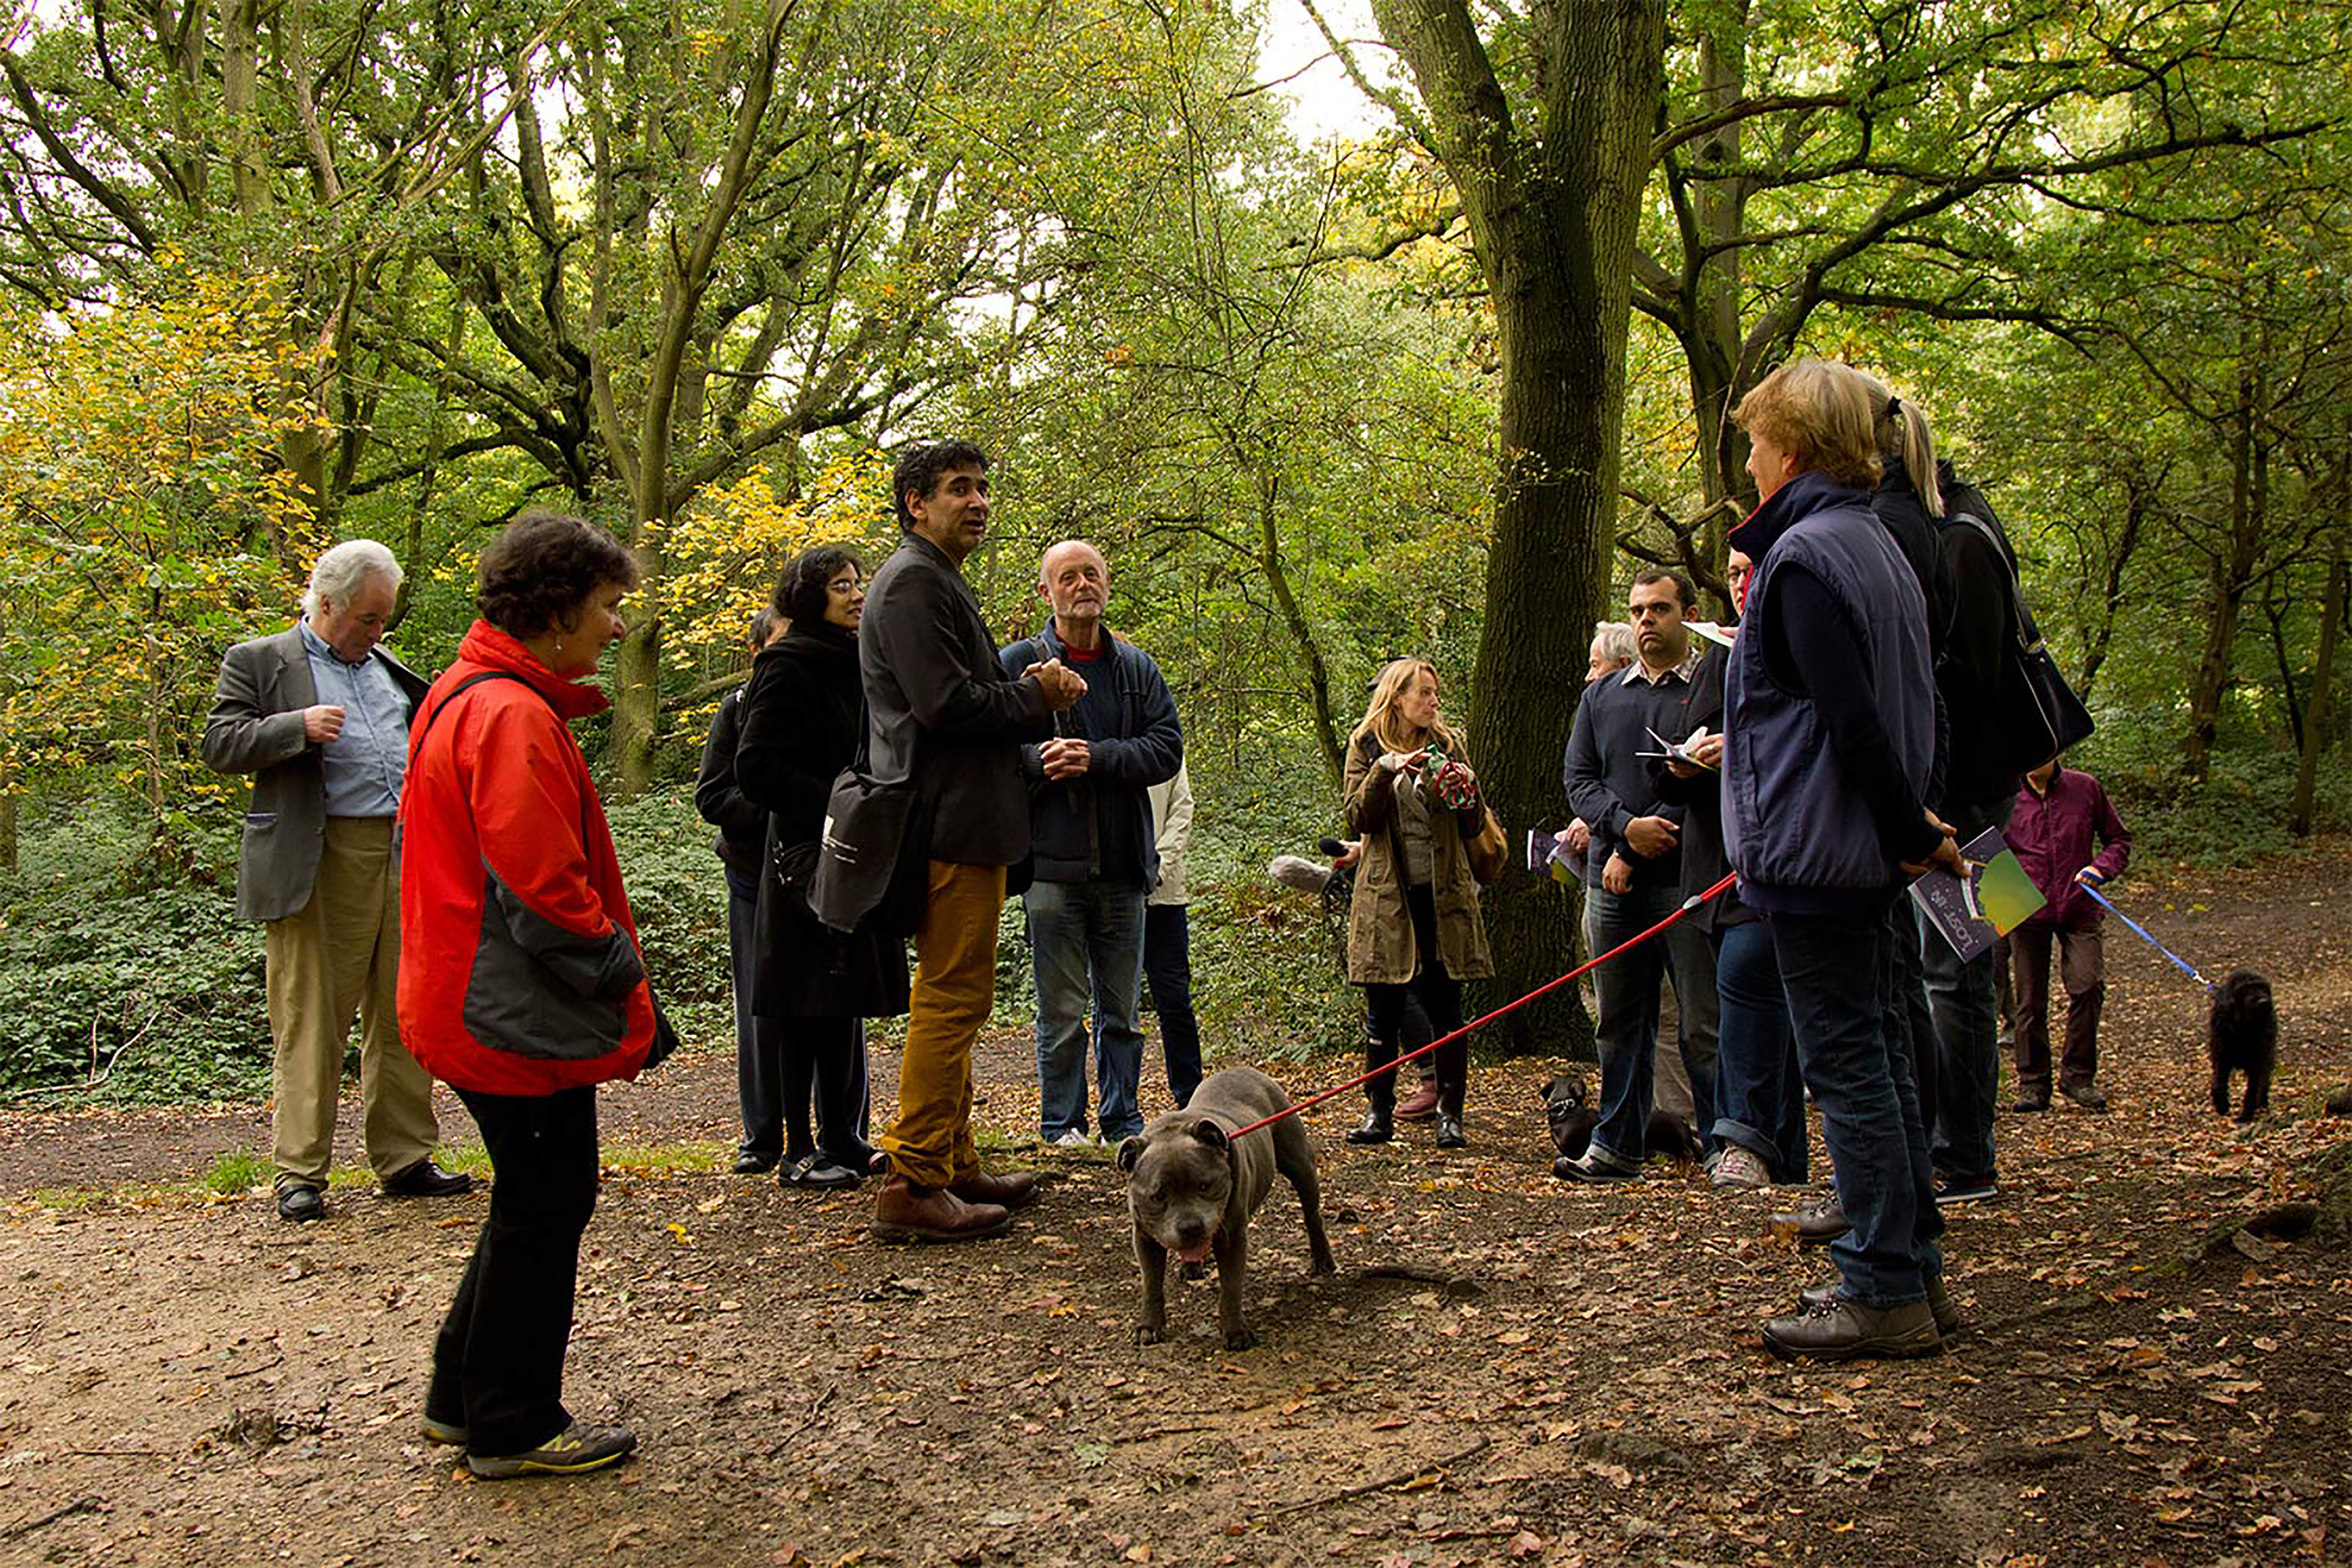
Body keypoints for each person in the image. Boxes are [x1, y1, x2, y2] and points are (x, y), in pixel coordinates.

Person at [397, 510, 660, 1477]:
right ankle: (510, 1419)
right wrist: (628, 987)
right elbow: (545, 890)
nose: (615, 625)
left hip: (475, 993)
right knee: (548, 1198)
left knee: (532, 1195)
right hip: (504, 1008)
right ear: (557, 608)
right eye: (606, 605)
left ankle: (462, 1396)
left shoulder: (476, 692)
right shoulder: (506, 712)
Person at [1724, 357, 1957, 1362]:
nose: (1748, 455)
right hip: (1859, 850)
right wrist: (1910, 829)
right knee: (1885, 1055)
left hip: (1820, 856)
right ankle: (1910, 1266)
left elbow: (1856, 721)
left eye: (1755, 438)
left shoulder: (1810, 557)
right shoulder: (1879, 542)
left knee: (1851, 1064)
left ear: (1797, 446)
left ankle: (1883, 1287)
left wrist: (1908, 829)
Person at [199, 539, 467, 1223]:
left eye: (384, 620)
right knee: (313, 1015)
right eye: (369, 619)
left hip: (404, 853)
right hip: (321, 856)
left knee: (403, 1010)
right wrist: (296, 726)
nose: (378, 632)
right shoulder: (261, 661)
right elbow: (219, 743)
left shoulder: (386, 666)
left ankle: (405, 1157)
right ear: (326, 604)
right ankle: (300, 1171)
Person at [860, 439, 1084, 1242]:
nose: (979, 500)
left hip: (965, 817)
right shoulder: (913, 583)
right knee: (951, 999)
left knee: (960, 993)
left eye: (984, 487)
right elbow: (946, 706)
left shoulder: (932, 578)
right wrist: (1039, 690)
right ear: (915, 502)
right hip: (947, 820)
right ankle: (913, 1176)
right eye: (960, 488)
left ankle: (953, 1160)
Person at [1874, 395, 2027, 1207]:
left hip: (1971, 793)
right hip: (1976, 783)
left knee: (1958, 970)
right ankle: (1959, 1143)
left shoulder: (1961, 538)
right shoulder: (1963, 520)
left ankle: (1968, 1155)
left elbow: (1968, 681)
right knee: (1959, 969)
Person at [998, 539, 1183, 1146]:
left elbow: (1165, 748)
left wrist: (1097, 757)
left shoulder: (1136, 669)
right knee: (1059, 1010)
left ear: (1107, 584)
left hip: (1126, 865)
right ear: (1046, 592)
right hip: (1050, 866)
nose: (1083, 585)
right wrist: (1036, 763)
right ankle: (1061, 1125)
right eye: (1068, 577)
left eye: (1092, 575)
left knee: (1123, 1012)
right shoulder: (1017, 663)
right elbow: (986, 750)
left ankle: (1123, 1122)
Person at [736, 547, 907, 1187]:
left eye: (857, 584)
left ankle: (843, 1135)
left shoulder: (856, 661)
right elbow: (753, 769)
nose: (856, 595)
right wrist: (837, 801)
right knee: (802, 1004)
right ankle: (795, 1150)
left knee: (842, 1002)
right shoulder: (785, 666)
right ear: (811, 597)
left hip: (854, 854)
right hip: (804, 858)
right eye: (841, 586)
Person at [1555, 571, 1719, 1182]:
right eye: (1637, 611)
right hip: (1611, 885)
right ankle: (1617, 1145)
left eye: (1659, 609)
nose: (1646, 620)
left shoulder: (1709, 685)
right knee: (1620, 1022)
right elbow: (1579, 780)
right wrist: (1625, 830)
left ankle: (1720, 1144)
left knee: (1702, 1023)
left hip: (1686, 880)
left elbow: (1713, 778)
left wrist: (1651, 836)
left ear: (1688, 614)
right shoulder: (1602, 698)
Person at [1655, 549, 1803, 1191]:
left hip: (1782, 865)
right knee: (1733, 1005)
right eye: (1735, 573)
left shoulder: (1801, 644)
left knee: (1751, 992)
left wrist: (1738, 750)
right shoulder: (1718, 655)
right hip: (1715, 868)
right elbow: (1681, 767)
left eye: (1753, 571)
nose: (1742, 584)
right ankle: (1782, 1160)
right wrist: (1686, 763)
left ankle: (1743, 1137)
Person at [1340, 658, 1494, 1150]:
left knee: (1448, 1005)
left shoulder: (1447, 744)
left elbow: (1473, 824)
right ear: (1397, 698)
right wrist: (1385, 771)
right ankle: (1377, 1111)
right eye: (1423, 693)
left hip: (1443, 892)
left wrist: (1463, 792)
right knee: (1383, 1006)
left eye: (1434, 693)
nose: (1432, 702)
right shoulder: (1365, 744)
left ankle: (1451, 1114)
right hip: (1388, 895)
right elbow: (1357, 815)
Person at [693, 609, 790, 1174]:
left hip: (821, 876)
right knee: (758, 1008)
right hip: (753, 878)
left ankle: (844, 1132)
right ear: (757, 653)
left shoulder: (832, 695)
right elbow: (712, 795)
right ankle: (762, 1137)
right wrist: (775, 809)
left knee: (836, 1009)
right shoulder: (734, 711)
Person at [2002, 753, 2131, 1112]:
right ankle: (2033, 1083)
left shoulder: (2086, 787)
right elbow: (1988, 850)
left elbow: (2119, 840)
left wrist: (2100, 869)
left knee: (2088, 985)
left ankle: (2078, 1077)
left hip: (2080, 906)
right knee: (2030, 1001)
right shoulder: (2006, 794)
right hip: (2026, 910)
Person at [1144, 760, 1204, 1110]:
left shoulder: (1166, 746)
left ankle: (1191, 1097)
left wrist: (1157, 868)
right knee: (1115, 1008)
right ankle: (1119, 1109)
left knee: (1175, 1000)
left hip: (1165, 897)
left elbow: (1182, 809)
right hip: (1113, 894)